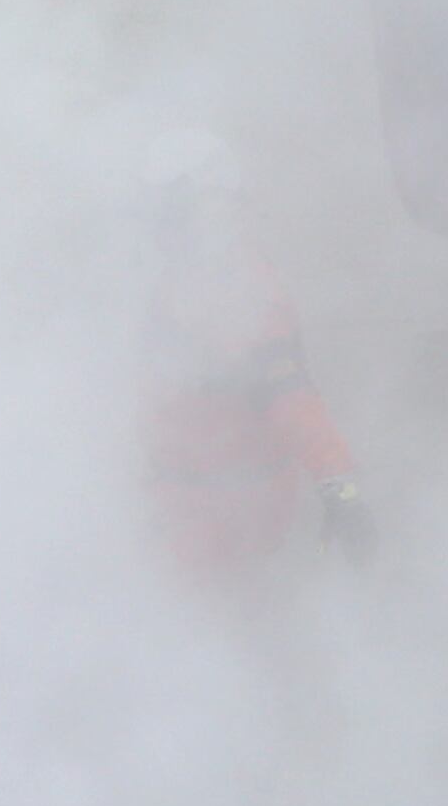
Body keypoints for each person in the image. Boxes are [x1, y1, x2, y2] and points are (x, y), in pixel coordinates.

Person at [142, 132, 363, 571]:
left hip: (231, 519)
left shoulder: (245, 294)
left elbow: (293, 400)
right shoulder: (184, 280)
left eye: (174, 213)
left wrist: (342, 490)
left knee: (220, 628)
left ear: (211, 209)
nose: (163, 227)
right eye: (160, 213)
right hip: (187, 506)